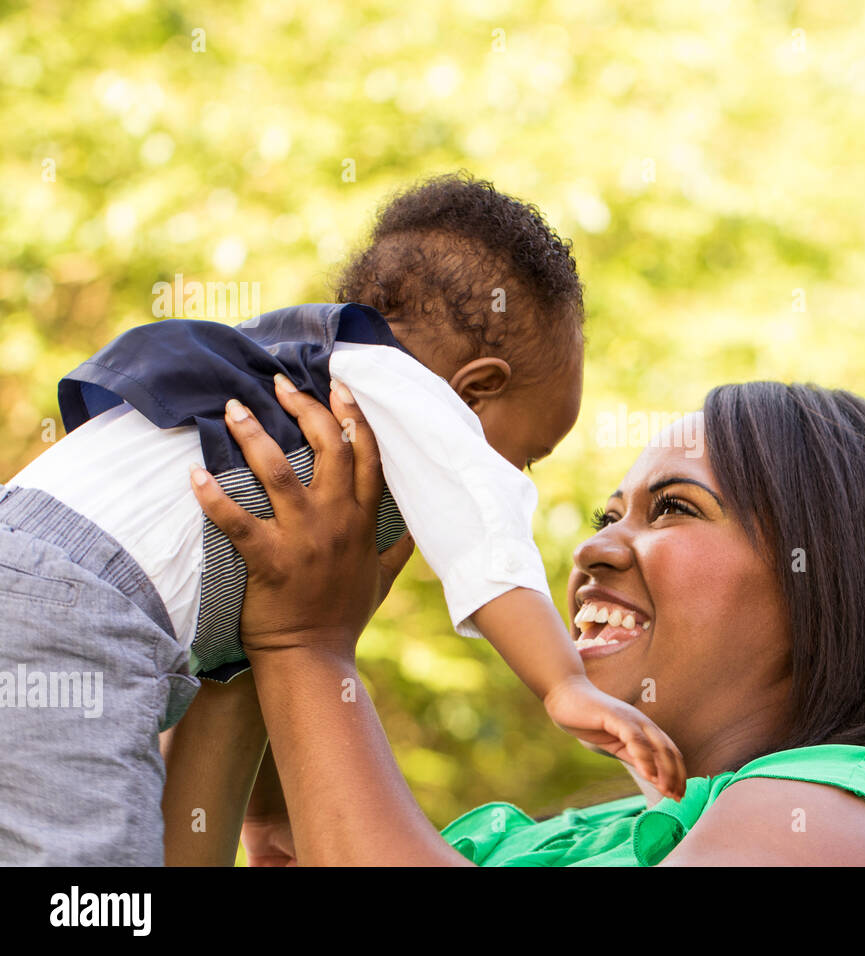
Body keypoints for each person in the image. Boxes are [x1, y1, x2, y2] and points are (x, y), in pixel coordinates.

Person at [0, 173, 683, 866]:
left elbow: (242, 636)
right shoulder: (410, 392)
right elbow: (487, 536)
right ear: (477, 390)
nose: (511, 474)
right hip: (73, 615)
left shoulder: (293, 378)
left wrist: (268, 814)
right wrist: (562, 683)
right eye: (528, 455)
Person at [168, 378, 865, 866]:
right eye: (607, 517)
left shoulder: (838, 820)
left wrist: (308, 644)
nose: (595, 551)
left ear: (833, 582)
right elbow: (292, 842)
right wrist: (250, 622)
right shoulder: (519, 844)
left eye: (674, 509)